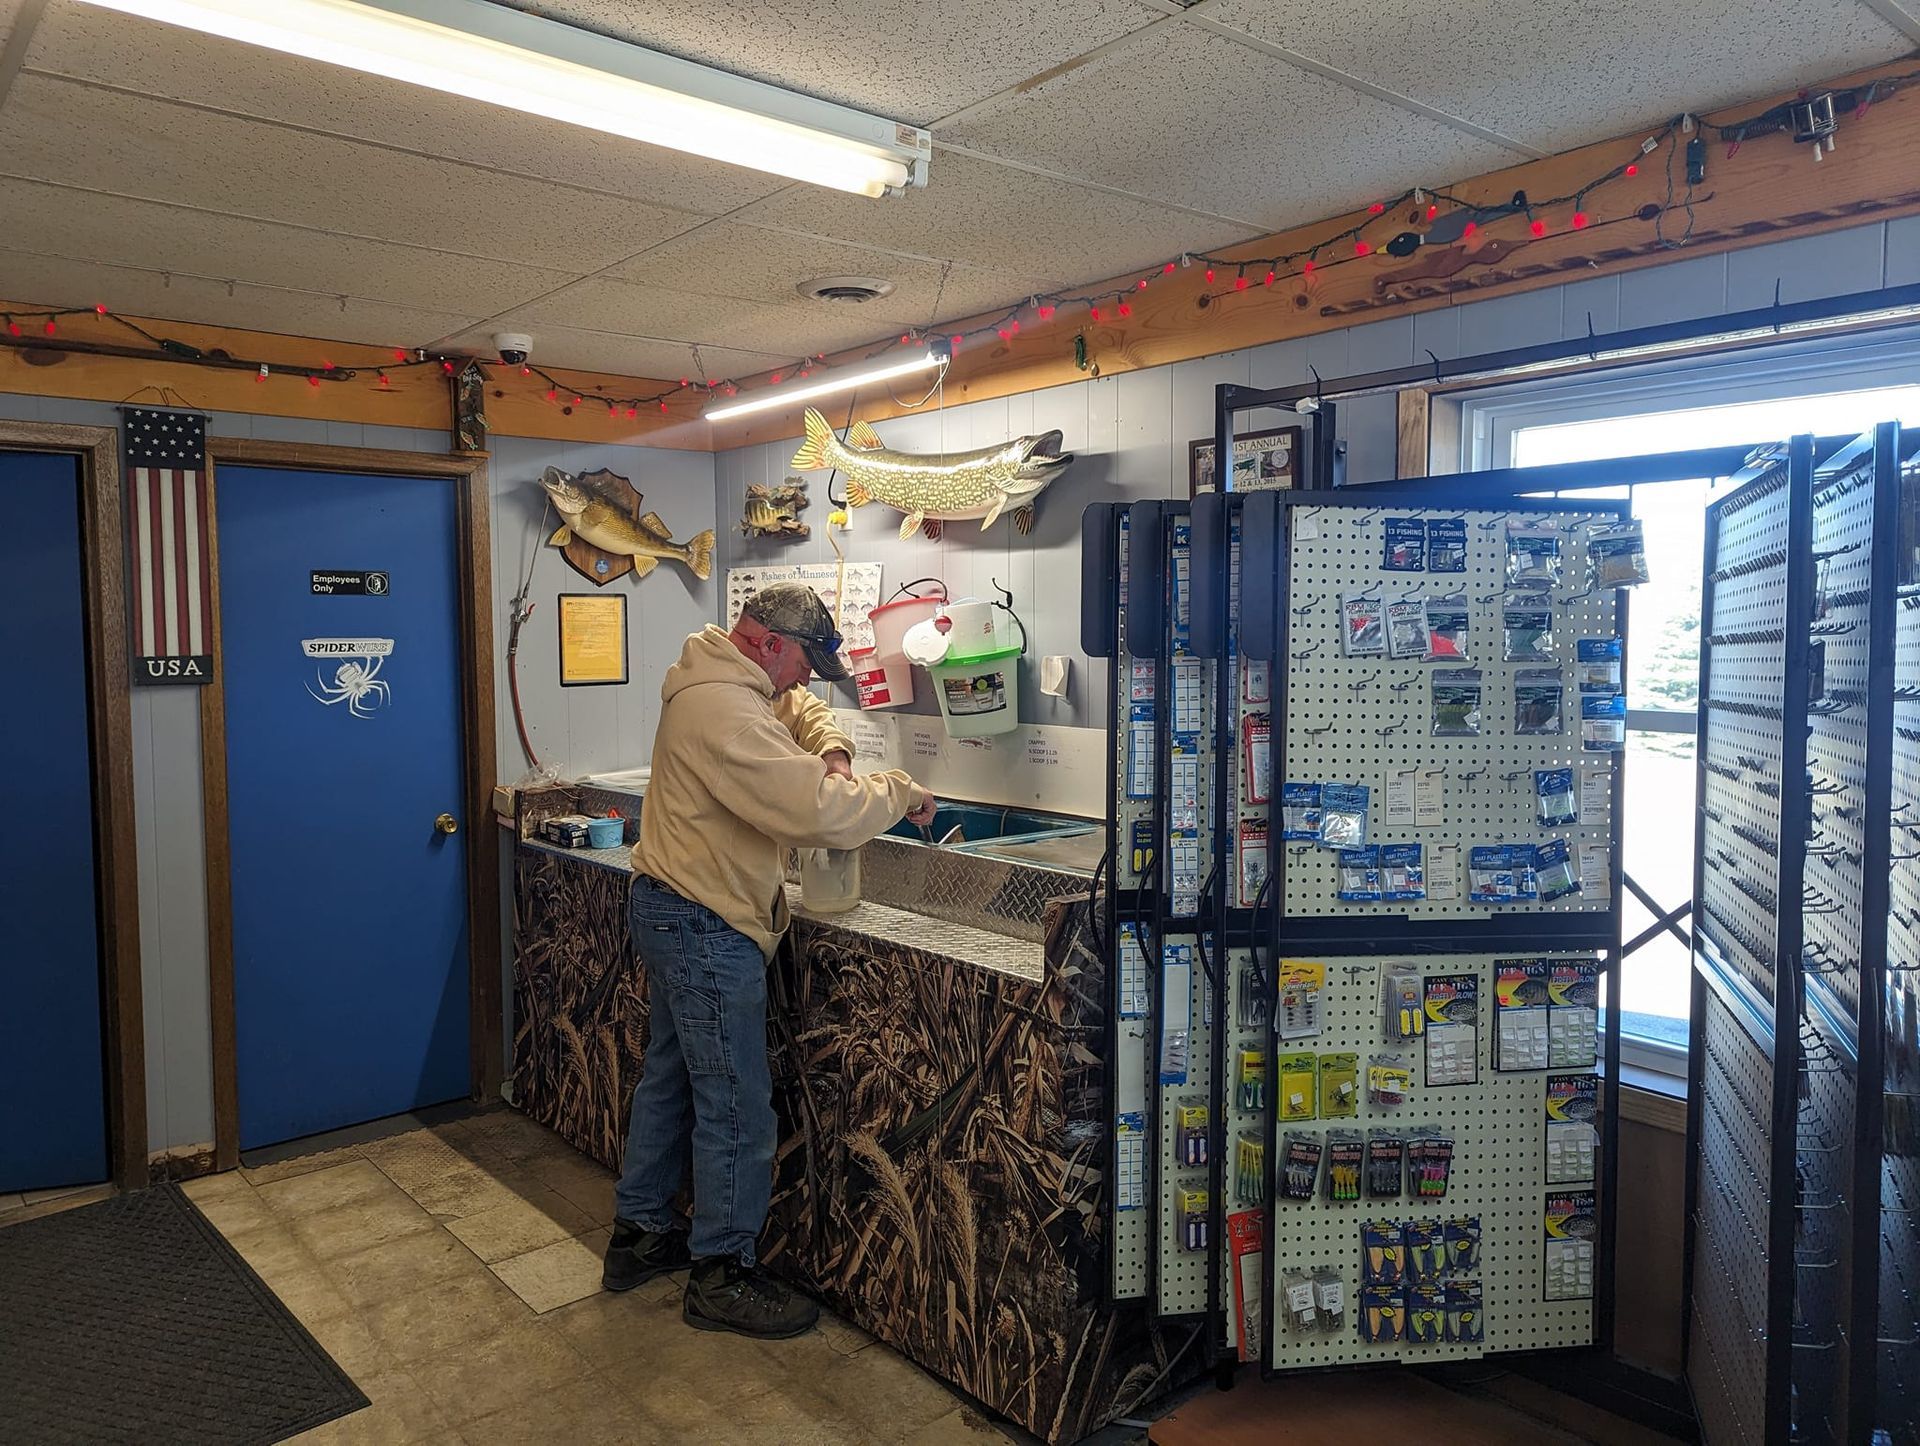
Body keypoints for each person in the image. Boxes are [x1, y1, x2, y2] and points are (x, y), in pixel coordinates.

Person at [601, 583, 937, 1339]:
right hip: (706, 921)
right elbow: (819, 812)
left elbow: (800, 716)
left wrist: (836, 750)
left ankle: (641, 1233)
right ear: (769, 644)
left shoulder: (726, 677)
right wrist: (898, 789)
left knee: (672, 1080)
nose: (806, 682)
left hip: (671, 903)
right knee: (736, 1106)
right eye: (804, 665)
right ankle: (721, 1273)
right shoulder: (723, 709)